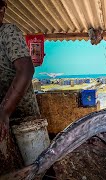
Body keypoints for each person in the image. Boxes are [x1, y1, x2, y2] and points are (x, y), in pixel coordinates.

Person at [0, 0, 40, 171]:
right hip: (4, 121)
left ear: (1, 10)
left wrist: (4, 111)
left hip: (24, 121)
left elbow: (26, 70)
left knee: (37, 168)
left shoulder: (7, 32)